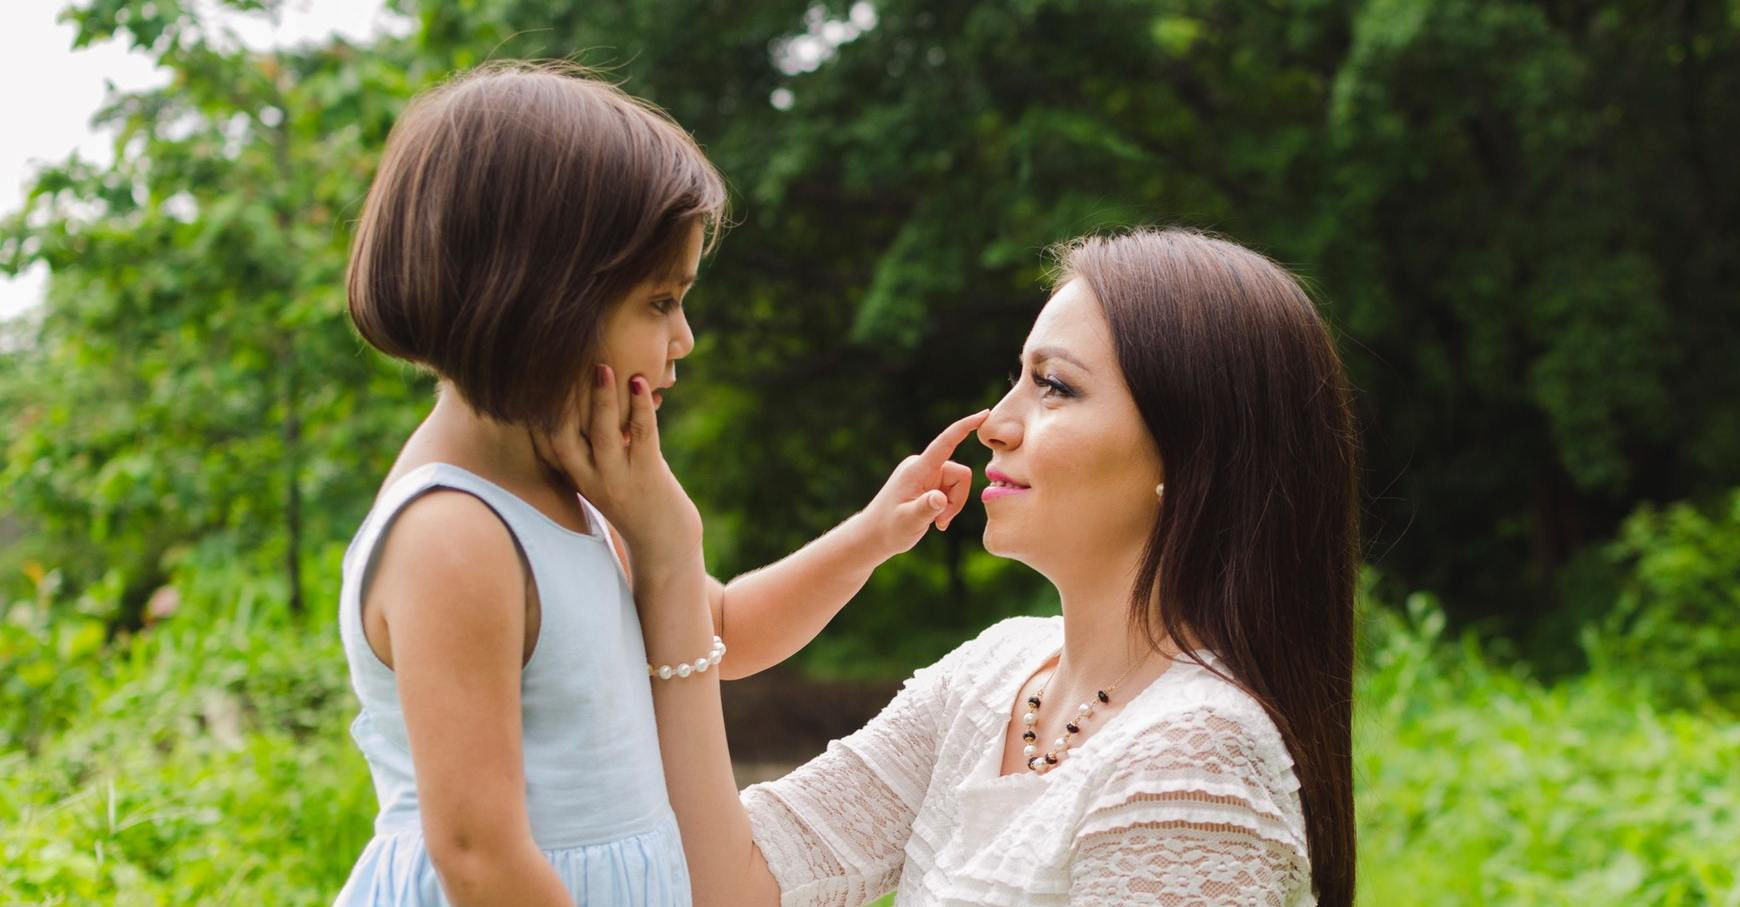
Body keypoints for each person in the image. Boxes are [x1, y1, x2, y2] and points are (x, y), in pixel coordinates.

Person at [550, 226, 1359, 905]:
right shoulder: (991, 675)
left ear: (1187, 457)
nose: (996, 424)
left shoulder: (1196, 763)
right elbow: (731, 883)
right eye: (1018, 378)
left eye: (1054, 388)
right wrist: (665, 557)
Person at [332, 62, 980, 906]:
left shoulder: (579, 490)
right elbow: (479, 856)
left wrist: (870, 535)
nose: (685, 338)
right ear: (540, 299)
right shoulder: (455, 532)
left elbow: (717, 632)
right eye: (659, 302)